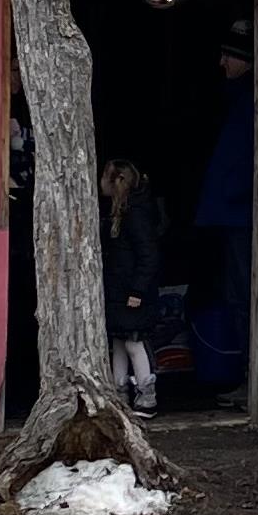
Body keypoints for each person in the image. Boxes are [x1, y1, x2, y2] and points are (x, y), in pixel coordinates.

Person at [190, 27, 258, 399]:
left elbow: (251, 160)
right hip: (226, 213)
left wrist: (231, 194)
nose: (221, 63)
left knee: (242, 295)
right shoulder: (234, 100)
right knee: (233, 295)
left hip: (237, 215)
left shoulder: (249, 102)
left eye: (227, 56)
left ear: (243, 60)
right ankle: (246, 375)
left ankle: (253, 378)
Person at [100, 157, 169, 411]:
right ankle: (119, 393)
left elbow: (148, 255)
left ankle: (146, 393)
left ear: (116, 181)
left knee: (133, 341)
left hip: (132, 291)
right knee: (118, 341)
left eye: (104, 177)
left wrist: (138, 290)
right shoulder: (117, 213)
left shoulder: (135, 214)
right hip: (118, 289)